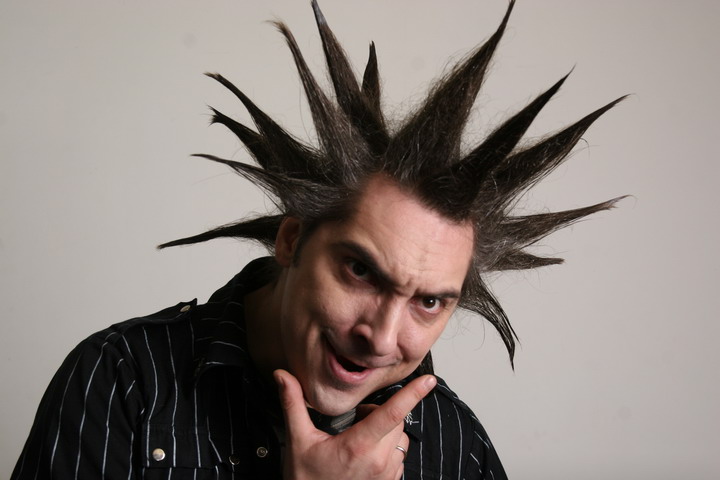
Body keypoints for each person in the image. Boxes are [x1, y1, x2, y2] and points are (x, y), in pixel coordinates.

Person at [11, 1, 625, 479]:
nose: (380, 337)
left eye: (428, 301)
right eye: (361, 271)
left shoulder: (456, 448)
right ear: (291, 239)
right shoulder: (124, 383)